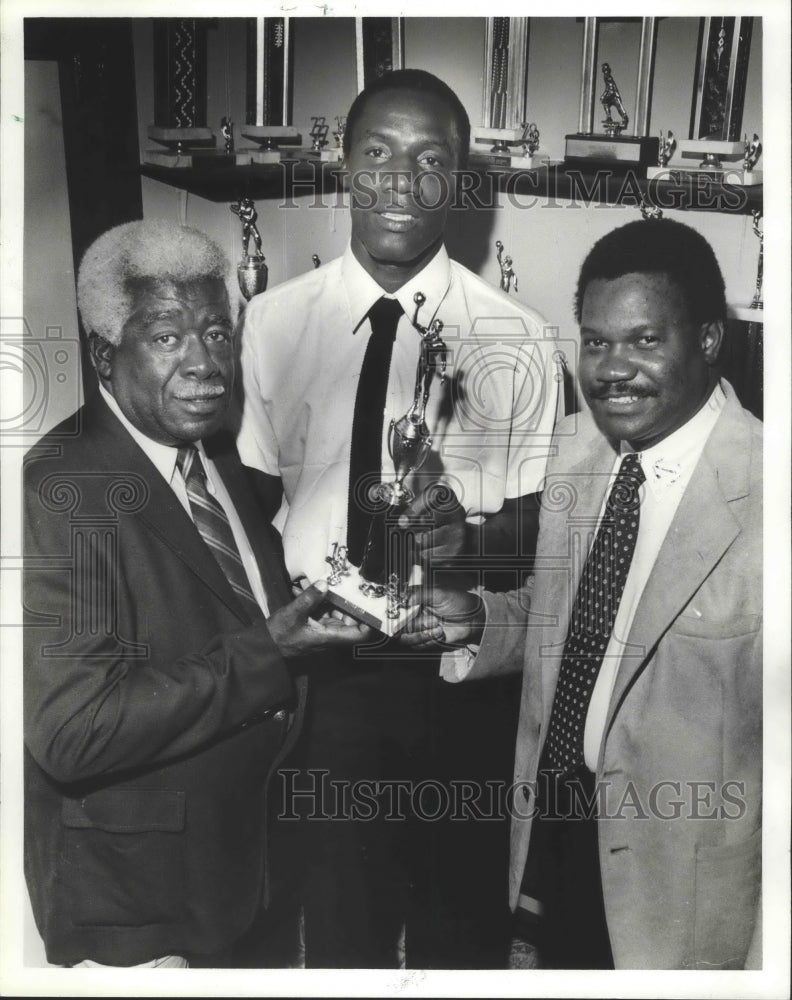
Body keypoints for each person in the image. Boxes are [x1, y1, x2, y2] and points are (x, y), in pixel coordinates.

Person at [238, 69, 559, 968]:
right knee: (342, 933)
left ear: (458, 182)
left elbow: (542, 526)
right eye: (377, 153)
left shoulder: (519, 337)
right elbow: (253, 507)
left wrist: (470, 543)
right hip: (325, 684)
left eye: (431, 160)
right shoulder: (269, 324)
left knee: (463, 937)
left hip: (456, 677)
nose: (401, 182)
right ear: (345, 166)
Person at [403, 218, 762, 970]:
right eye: (595, 342)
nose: (612, 369)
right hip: (556, 836)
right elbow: (568, 614)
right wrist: (477, 621)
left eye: (644, 340)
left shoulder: (769, 493)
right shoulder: (577, 451)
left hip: (687, 895)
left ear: (705, 340)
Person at [23, 220, 369, 969]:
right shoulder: (67, 488)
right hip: (139, 915)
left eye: (217, 334)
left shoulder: (213, 457)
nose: (205, 364)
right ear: (103, 355)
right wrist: (269, 648)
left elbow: (221, 611)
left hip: (243, 884)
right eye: (168, 338)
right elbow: (72, 729)